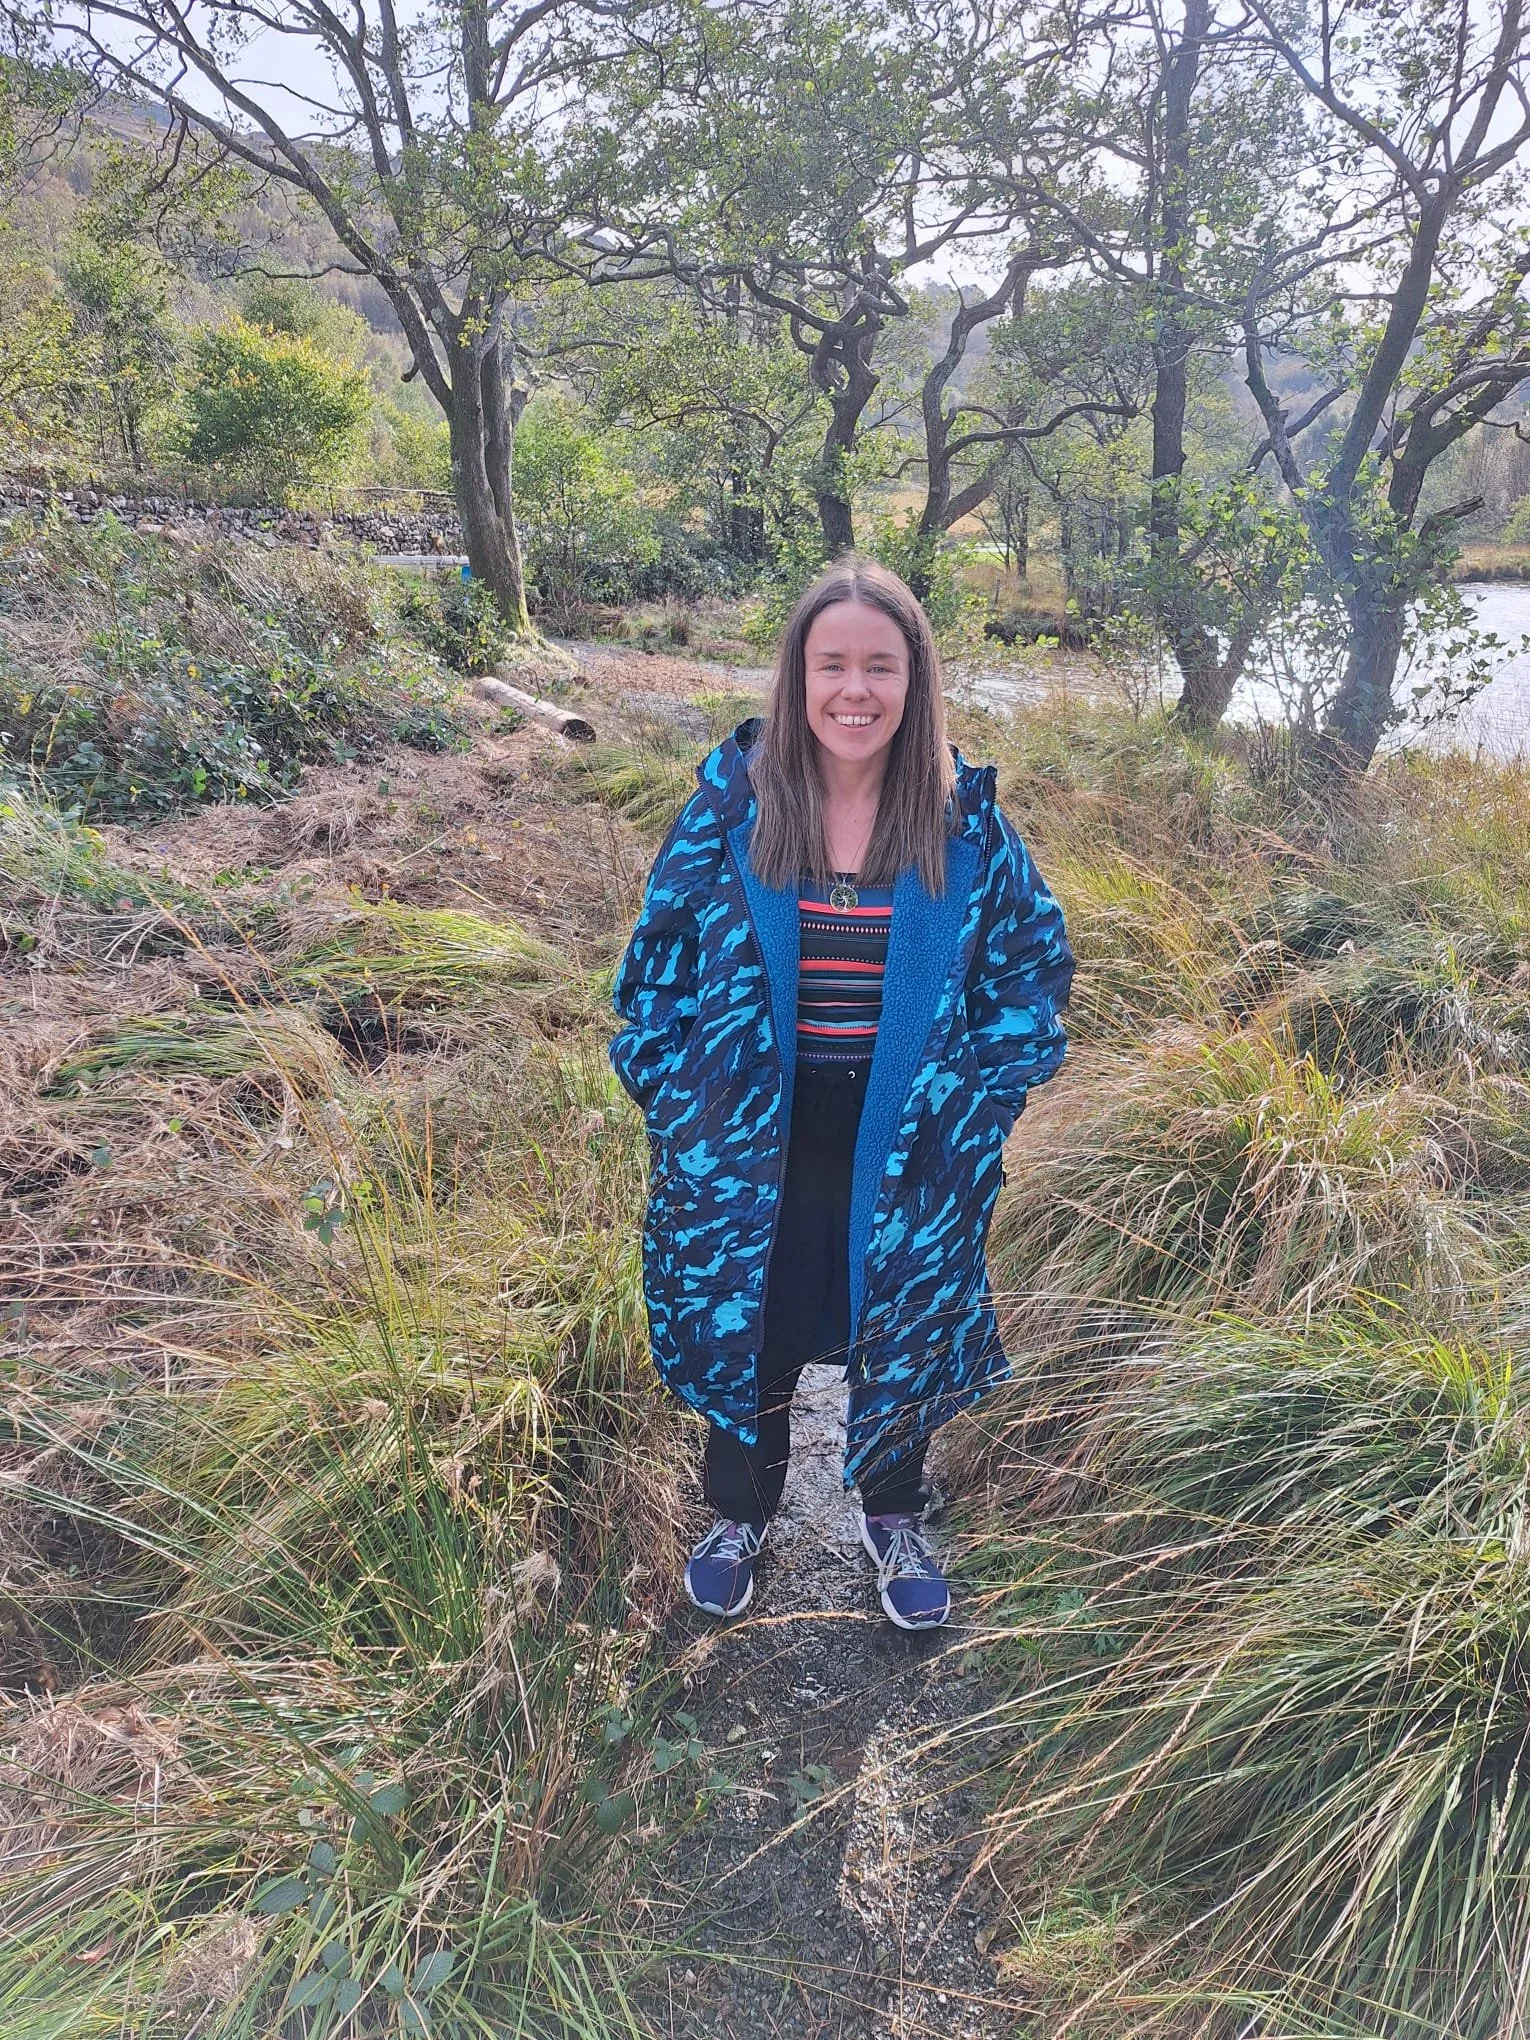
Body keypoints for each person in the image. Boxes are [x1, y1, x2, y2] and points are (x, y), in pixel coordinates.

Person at [608, 557, 1074, 1631]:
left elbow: (1030, 972)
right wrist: (681, 1095)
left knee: (903, 1314)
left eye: (879, 665)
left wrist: (978, 1102)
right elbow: (654, 971)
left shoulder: (965, 826)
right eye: (832, 666)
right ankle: (739, 1515)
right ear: (797, 675)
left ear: (915, 680)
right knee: (752, 1317)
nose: (853, 691)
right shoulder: (734, 811)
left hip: (905, 1133)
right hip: (747, 1133)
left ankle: (895, 1515)